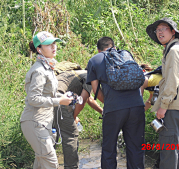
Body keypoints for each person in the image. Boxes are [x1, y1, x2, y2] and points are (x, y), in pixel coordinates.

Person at [86, 36, 145, 169]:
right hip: (137, 106)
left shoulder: (95, 60)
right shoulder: (126, 55)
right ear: (114, 46)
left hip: (114, 109)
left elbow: (96, 90)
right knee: (136, 147)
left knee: (109, 148)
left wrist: (110, 103)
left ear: (98, 49)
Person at [20, 31, 73, 169]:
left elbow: (47, 95)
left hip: (43, 123)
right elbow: (33, 99)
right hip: (34, 122)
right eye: (48, 44)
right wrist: (59, 102)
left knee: (41, 163)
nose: (53, 46)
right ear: (39, 49)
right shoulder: (39, 70)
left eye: (54, 43)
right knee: (50, 163)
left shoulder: (48, 68)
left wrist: (62, 97)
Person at [146, 17, 179, 169]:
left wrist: (163, 106)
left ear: (173, 32)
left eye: (163, 29)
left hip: (173, 107)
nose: (159, 32)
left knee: (168, 152)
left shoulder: (173, 51)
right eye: (157, 30)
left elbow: (172, 81)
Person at [53, 69, 103, 169]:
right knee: (71, 134)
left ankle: (47, 162)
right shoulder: (90, 77)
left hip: (49, 100)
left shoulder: (79, 74)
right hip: (60, 101)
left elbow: (89, 99)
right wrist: (73, 117)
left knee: (53, 132)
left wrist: (102, 111)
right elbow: (83, 100)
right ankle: (71, 167)